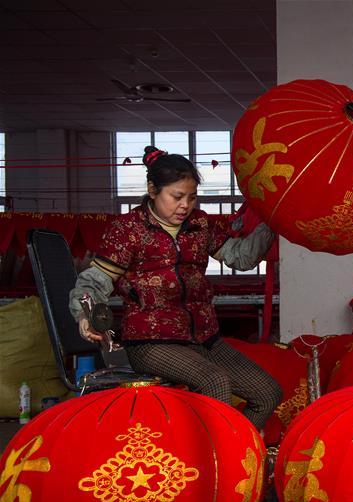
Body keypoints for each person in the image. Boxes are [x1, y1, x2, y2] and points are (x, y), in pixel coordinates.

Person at [68, 145, 282, 432]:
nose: (185, 206)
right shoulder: (128, 230)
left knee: (267, 393)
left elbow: (240, 257)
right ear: (152, 190)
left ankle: (235, 447)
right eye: (177, 197)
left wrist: (272, 222)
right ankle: (215, 457)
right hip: (151, 342)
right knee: (214, 382)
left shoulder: (200, 225)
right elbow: (94, 281)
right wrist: (86, 315)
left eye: (191, 197)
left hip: (204, 338)